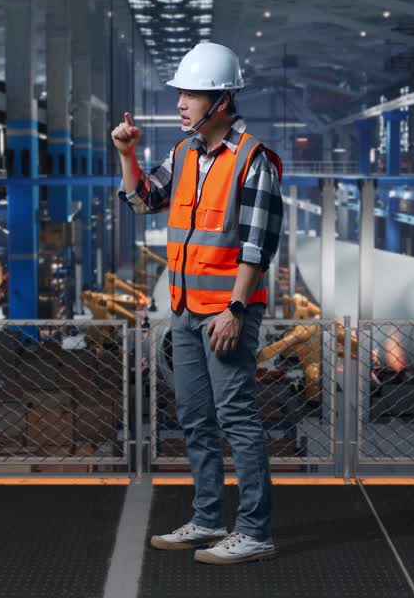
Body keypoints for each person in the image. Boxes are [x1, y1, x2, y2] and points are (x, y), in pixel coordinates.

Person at [112, 42, 284, 565]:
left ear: (222, 101)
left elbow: (258, 242)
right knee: (194, 418)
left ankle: (254, 531)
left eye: (192, 94)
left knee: (237, 419)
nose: (182, 103)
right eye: (182, 93)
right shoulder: (183, 154)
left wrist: (235, 309)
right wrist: (127, 154)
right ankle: (209, 518)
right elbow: (144, 201)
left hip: (227, 314)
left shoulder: (253, 160)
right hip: (185, 312)